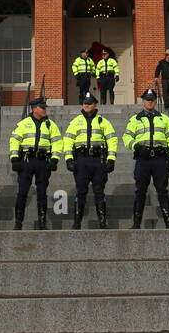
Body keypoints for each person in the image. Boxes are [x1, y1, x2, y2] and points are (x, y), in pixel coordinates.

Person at [123, 87, 169, 230]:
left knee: (162, 190)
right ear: (143, 102)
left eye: (152, 100)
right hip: (143, 159)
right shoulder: (135, 119)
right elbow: (126, 137)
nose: (150, 102)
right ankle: (136, 223)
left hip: (160, 159)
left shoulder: (164, 118)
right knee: (140, 191)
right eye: (147, 100)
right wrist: (136, 146)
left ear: (155, 102)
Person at [63, 90, 118, 230]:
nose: (86, 105)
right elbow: (68, 140)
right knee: (81, 191)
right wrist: (69, 159)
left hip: (98, 160)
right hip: (81, 160)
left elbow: (112, 140)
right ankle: (77, 222)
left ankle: (102, 221)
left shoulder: (103, 122)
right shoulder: (75, 121)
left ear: (95, 105)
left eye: (89, 103)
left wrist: (111, 159)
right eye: (85, 103)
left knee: (99, 190)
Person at [8, 96, 63, 231]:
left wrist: (54, 159)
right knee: (22, 192)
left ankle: (42, 223)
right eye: (42, 108)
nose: (45, 110)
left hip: (43, 162)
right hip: (26, 161)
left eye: (45, 108)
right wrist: (14, 159)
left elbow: (57, 142)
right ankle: (18, 223)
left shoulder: (51, 125)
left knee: (42, 192)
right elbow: (14, 141)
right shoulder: (23, 124)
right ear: (34, 109)